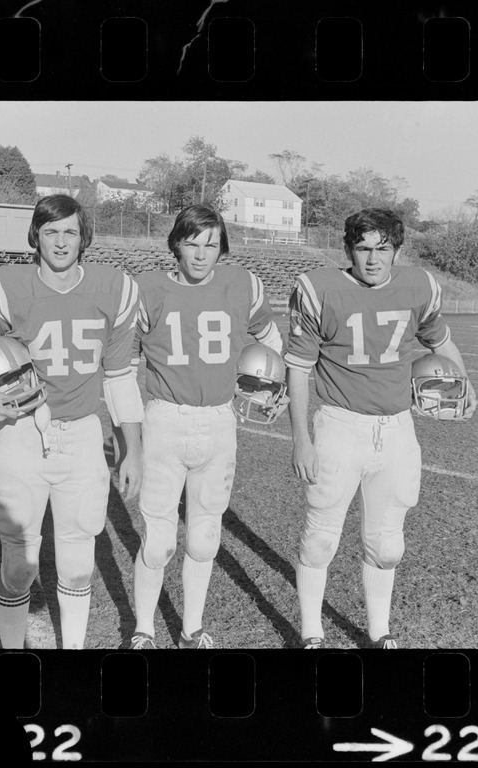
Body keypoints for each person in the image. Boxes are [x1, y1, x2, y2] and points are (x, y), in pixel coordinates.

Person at [0, 194, 143, 650]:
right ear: (35, 236)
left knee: (77, 562)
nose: (60, 241)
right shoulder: (2, 286)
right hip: (21, 435)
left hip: (83, 436)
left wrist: (133, 448)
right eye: (50, 231)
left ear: (83, 237)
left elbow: (119, 377)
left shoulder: (114, 288)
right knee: (20, 565)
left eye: (70, 231)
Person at [283, 208, 477, 649]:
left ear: (397, 250)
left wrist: (464, 386)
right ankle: (312, 633)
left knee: (388, 544)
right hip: (339, 426)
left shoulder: (418, 285)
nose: (373, 260)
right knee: (319, 540)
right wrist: (301, 439)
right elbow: (298, 368)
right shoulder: (319, 289)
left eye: (383, 249)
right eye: (363, 248)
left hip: (396, 429)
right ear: (348, 249)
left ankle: (379, 633)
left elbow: (439, 340)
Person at [127, 204, 284, 649]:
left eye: (211, 245)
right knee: (157, 541)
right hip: (164, 419)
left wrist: (271, 386)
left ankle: (191, 627)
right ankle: (143, 628)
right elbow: (126, 361)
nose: (200, 254)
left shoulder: (242, 284)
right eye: (192, 243)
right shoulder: (148, 288)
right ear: (176, 243)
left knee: (205, 535)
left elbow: (270, 339)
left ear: (223, 248)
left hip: (219, 420)